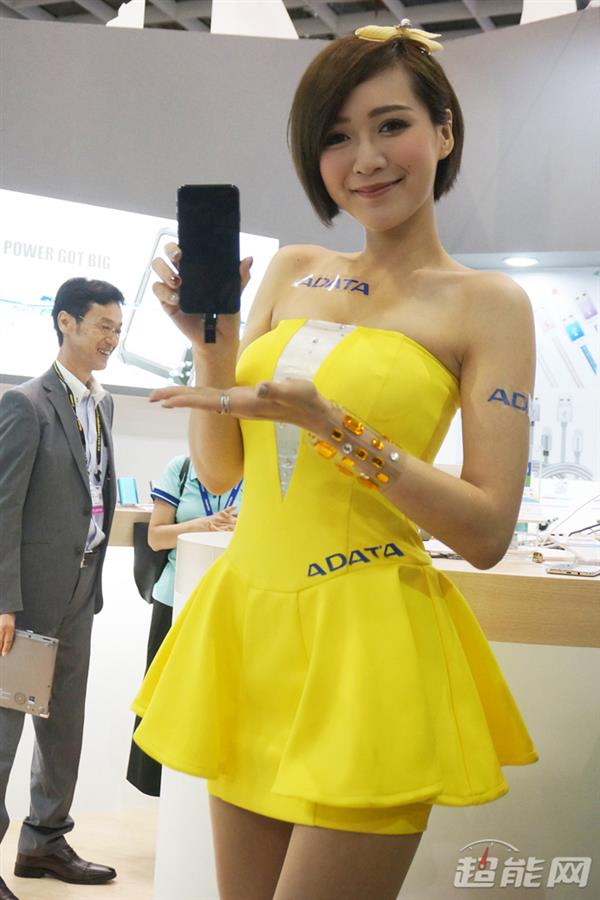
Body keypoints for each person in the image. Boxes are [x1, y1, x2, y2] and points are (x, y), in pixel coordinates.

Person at [132, 22, 539, 900]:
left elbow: (487, 531)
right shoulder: (292, 269)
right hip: (251, 625)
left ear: (444, 132)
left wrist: (335, 428)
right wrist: (214, 347)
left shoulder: (487, 304)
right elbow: (226, 472)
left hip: (368, 641)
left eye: (392, 125)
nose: (366, 159)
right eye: (337, 136)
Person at [0, 277, 124, 899]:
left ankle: (44, 842)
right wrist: (3, 601)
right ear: (65, 322)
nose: (111, 339)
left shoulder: (104, 404)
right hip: (26, 600)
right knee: (3, 731)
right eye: (102, 325)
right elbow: (3, 509)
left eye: (118, 329)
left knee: (63, 725)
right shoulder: (25, 404)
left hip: (81, 591)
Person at [127, 454, 241, 796]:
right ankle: (163, 794)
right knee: (164, 698)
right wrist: (204, 525)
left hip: (234, 601)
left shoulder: (259, 469)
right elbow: (156, 537)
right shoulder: (182, 469)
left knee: (220, 702)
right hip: (175, 598)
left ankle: (207, 793)